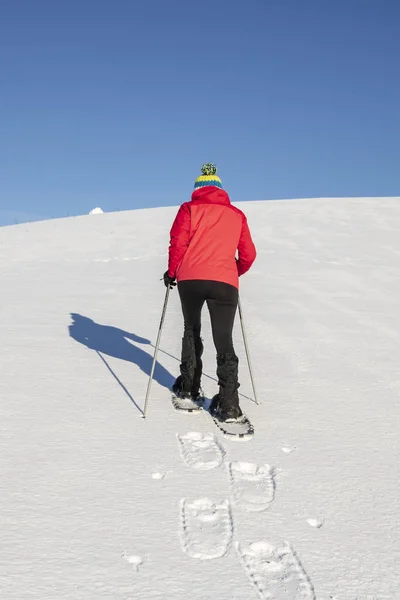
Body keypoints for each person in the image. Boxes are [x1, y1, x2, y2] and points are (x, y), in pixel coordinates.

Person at [163, 163, 256, 422]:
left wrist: (172, 272)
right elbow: (249, 254)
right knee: (224, 338)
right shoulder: (237, 215)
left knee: (191, 329)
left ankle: (189, 388)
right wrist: (232, 271)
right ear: (220, 190)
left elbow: (178, 243)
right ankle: (229, 404)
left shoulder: (188, 209)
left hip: (190, 279)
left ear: (197, 189)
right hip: (225, 283)